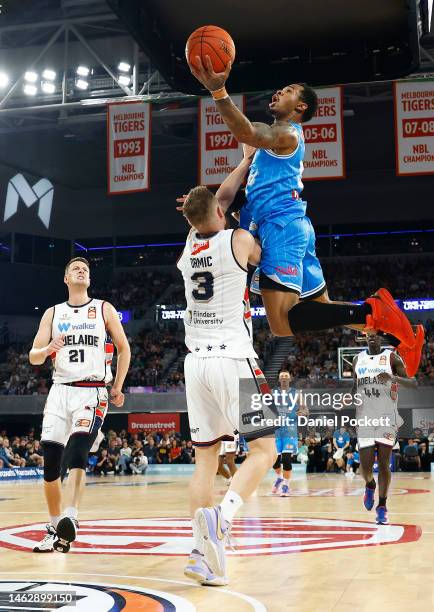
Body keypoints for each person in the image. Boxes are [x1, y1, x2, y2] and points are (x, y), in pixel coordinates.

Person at [188, 54, 423, 372]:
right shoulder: (270, 147)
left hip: (281, 230)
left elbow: (246, 132)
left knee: (282, 325)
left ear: (301, 107)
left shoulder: (286, 134)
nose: (277, 93)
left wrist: (218, 91)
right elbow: (249, 160)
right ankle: (404, 340)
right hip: (292, 226)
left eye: (287, 90)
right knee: (320, 309)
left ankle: (375, 312)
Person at [177, 187, 277, 586]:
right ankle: (223, 519)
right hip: (232, 358)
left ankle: (202, 554)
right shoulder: (239, 239)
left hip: (195, 364)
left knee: (205, 462)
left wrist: (245, 160)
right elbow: (261, 255)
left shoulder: (189, 244)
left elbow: (215, 202)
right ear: (221, 211)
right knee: (265, 449)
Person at [29, 257, 130, 553]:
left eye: (85, 268)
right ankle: (54, 526)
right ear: (65, 278)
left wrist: (118, 386)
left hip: (92, 391)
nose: (81, 270)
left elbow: (124, 348)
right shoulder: (53, 313)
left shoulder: (103, 308)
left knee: (77, 451)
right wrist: (47, 349)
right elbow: (33, 356)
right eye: (75, 268)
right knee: (50, 462)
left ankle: (70, 518)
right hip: (60, 391)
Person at [351, 332, 417, 524]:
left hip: (387, 416)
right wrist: (349, 397)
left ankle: (382, 506)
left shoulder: (391, 357)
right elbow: (355, 385)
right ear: (365, 337)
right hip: (364, 417)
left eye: (376, 334)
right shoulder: (357, 359)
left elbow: (413, 383)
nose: (372, 336)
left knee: (384, 463)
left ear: (381, 338)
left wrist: (392, 378)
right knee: (365, 467)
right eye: (369, 334)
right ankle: (370, 485)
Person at [271, 370, 307, 496]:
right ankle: (279, 477)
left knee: (286, 458)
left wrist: (301, 412)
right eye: (282, 377)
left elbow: (305, 409)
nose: (284, 378)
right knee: (274, 460)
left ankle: (286, 485)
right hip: (276, 430)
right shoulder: (272, 392)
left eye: (286, 376)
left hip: (290, 429)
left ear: (290, 379)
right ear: (279, 379)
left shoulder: (296, 393)